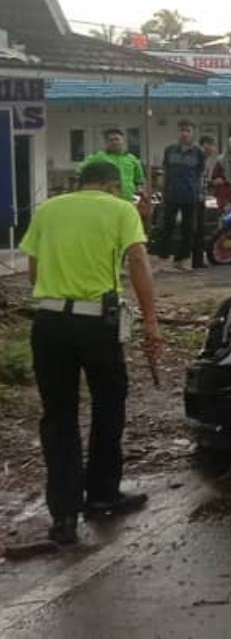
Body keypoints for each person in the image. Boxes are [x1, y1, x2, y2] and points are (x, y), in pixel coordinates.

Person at [18, 160, 163, 545]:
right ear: (113, 186)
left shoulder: (48, 209)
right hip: (97, 324)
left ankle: (64, 516)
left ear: (80, 184)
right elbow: (137, 262)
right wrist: (150, 321)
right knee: (109, 402)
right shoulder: (120, 210)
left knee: (59, 415)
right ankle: (102, 494)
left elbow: (33, 271)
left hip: (48, 324)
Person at [157, 120, 205, 271]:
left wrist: (201, 193)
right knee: (167, 227)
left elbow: (200, 175)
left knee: (188, 229)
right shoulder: (170, 150)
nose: (184, 133)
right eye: (182, 130)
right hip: (171, 194)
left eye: (188, 130)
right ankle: (162, 260)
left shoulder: (198, 153)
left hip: (190, 196)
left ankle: (180, 260)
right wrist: (162, 190)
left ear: (193, 133)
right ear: (177, 132)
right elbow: (165, 171)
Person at [80, 128, 146, 203]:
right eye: (111, 140)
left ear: (122, 141)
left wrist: (138, 196)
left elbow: (139, 180)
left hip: (128, 199)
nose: (114, 142)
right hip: (106, 199)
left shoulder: (132, 159)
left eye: (117, 139)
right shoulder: (99, 157)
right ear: (106, 143)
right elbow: (81, 169)